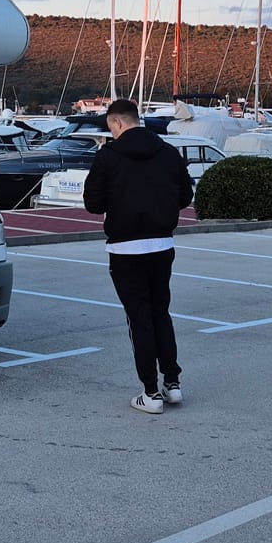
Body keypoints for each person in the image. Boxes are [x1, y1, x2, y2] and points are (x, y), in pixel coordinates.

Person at [83, 97, 194, 415]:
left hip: (125, 248)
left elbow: (93, 203)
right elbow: (185, 195)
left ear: (117, 122)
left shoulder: (108, 156)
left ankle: (150, 392)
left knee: (139, 318)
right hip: (162, 244)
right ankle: (172, 383)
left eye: (111, 127)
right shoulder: (168, 152)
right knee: (161, 313)